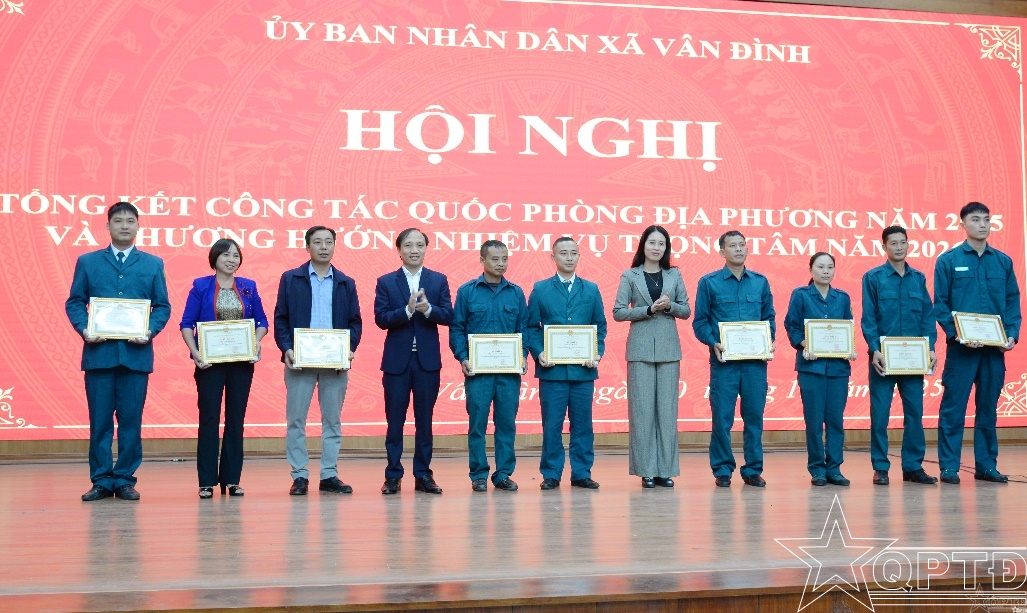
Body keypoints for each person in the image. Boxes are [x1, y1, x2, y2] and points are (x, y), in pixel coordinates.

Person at [65, 202, 171, 501]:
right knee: (99, 422)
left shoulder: (152, 264)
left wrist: (149, 331)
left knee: (130, 423)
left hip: (136, 357)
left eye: (130, 221)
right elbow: (75, 302)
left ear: (138, 226)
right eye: (118, 220)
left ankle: (124, 479)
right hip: (99, 355)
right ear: (108, 226)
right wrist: (85, 329)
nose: (124, 226)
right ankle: (101, 480)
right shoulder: (88, 262)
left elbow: (162, 306)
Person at [934, 202, 1021, 484]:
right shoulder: (948, 261)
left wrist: (1011, 334)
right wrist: (956, 334)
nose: (982, 224)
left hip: (994, 351)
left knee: (987, 409)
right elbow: (940, 304)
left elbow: (1012, 301)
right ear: (962, 224)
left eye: (986, 219)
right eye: (975, 219)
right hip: (962, 351)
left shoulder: (1003, 262)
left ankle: (986, 466)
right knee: (953, 408)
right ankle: (949, 466)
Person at [274, 226, 362, 495]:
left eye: (328, 242)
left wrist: (348, 348)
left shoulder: (346, 282)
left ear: (334, 246)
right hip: (300, 363)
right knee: (296, 421)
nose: (323, 247)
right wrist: (287, 348)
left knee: (332, 421)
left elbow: (355, 322)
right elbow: (281, 319)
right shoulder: (291, 279)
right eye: (317, 242)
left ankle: (329, 474)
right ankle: (300, 475)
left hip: (334, 364)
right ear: (307, 246)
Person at [180, 239, 268, 498]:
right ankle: (206, 481)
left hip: (241, 364)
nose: (231, 260)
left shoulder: (249, 287)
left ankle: (232, 479)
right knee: (209, 419)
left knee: (235, 419)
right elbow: (187, 323)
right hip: (209, 363)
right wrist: (196, 353)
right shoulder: (200, 286)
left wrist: (255, 342)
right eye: (226, 255)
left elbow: (262, 321)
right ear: (215, 258)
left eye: (236, 255)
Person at [692, 230, 775, 488]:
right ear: (722, 252)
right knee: (722, 418)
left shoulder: (760, 282)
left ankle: (753, 470)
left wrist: (767, 341)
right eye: (732, 246)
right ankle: (722, 469)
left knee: (754, 418)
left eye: (742, 245)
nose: (738, 249)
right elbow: (700, 322)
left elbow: (769, 318)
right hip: (724, 364)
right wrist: (713, 342)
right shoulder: (709, 283)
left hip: (754, 365)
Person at [374, 228, 453, 495]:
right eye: (408, 245)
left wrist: (428, 309)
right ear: (399, 250)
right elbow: (381, 319)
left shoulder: (438, 280)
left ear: (426, 249)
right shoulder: (386, 281)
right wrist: (407, 311)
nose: (414, 250)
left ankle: (423, 474)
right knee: (395, 421)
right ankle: (393, 474)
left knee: (425, 421)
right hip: (396, 363)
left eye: (420, 245)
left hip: (427, 363)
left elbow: (449, 315)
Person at [612, 226, 691, 488]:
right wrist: (647, 310)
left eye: (661, 244)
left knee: (667, 412)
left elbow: (686, 310)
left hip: (669, 349)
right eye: (652, 243)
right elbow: (618, 312)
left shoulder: (674, 274)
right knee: (642, 412)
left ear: (666, 248)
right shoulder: (630, 275)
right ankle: (646, 470)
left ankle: (665, 470)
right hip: (640, 349)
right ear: (643, 245)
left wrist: (669, 306)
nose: (656, 248)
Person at [526, 237, 608, 490]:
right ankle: (551, 473)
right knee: (552, 425)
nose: (569, 257)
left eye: (573, 253)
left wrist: (596, 352)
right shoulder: (540, 289)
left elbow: (600, 326)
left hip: (583, 371)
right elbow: (531, 327)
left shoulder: (591, 289)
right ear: (553, 257)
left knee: (583, 425)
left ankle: (582, 472)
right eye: (563, 253)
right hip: (552, 372)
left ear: (579, 256)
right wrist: (539, 352)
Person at [860, 226, 938, 486]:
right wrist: (874, 349)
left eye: (903, 242)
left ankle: (913, 467)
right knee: (880, 415)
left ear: (908, 245)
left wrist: (930, 348)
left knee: (915, 414)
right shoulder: (873, 278)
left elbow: (927, 316)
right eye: (893, 243)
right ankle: (881, 467)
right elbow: (869, 318)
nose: (899, 247)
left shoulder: (918, 278)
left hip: (913, 360)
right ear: (884, 247)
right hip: (883, 359)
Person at [449, 240, 529, 492]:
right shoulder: (467, 292)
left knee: (506, 424)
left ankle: (503, 473)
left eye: (505, 259)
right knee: (477, 425)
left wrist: (523, 355)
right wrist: (463, 357)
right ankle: (479, 474)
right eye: (495, 259)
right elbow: (457, 328)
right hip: (478, 373)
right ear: (482, 260)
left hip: (508, 373)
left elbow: (524, 329)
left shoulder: (516, 293)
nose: (501, 263)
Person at [784, 252, 856, 487]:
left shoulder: (842, 298)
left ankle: (834, 469)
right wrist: (805, 343)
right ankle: (817, 469)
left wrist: (849, 348)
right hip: (811, 368)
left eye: (830, 267)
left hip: (838, 369)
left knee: (835, 420)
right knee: (814, 422)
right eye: (820, 267)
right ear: (810, 270)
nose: (826, 271)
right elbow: (791, 325)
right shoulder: (801, 295)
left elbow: (847, 328)